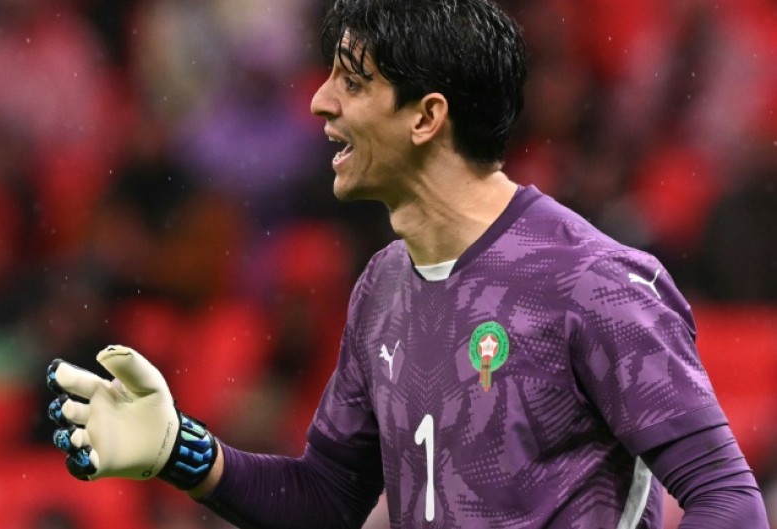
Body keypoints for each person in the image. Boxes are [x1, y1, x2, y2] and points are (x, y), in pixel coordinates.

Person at [44, 0, 770, 527]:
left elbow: (727, 500)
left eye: (352, 83)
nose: (321, 102)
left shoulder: (593, 283)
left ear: (426, 116)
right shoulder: (382, 287)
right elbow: (328, 498)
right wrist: (181, 450)